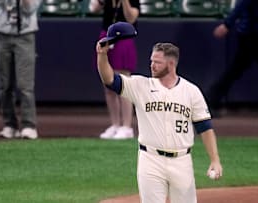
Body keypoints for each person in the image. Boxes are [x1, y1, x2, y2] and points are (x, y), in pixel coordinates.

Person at [96, 39, 223, 202]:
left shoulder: (191, 92)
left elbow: (205, 127)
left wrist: (215, 160)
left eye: (157, 62)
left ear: (171, 64)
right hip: (150, 160)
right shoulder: (140, 85)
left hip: (182, 161)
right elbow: (110, 80)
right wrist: (102, 54)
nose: (152, 65)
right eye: (151, 61)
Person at [0, 0, 42, 139]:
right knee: (5, 85)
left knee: (25, 84)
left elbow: (30, 8)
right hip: (2, 34)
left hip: (25, 35)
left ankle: (28, 125)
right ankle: (9, 124)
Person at [89, 0, 140, 139]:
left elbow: (131, 17)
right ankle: (115, 124)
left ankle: (127, 126)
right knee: (107, 84)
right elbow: (93, 8)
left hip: (123, 38)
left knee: (123, 84)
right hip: (106, 36)